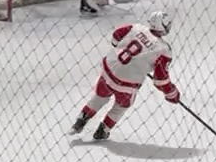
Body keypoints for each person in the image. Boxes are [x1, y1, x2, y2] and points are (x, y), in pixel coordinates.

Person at [70, 11, 178, 142]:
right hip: (127, 84)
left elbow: (116, 35)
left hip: (108, 70)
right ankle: (103, 130)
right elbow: (160, 80)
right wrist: (171, 93)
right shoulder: (164, 49)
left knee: (99, 97)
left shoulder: (136, 27)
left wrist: (122, 49)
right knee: (121, 106)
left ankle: (81, 119)